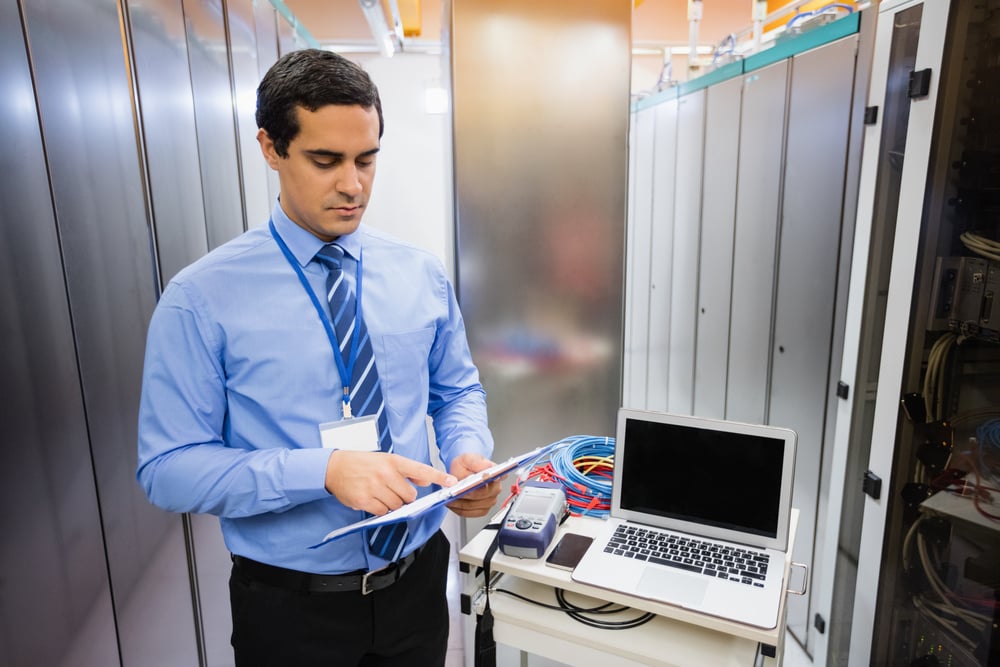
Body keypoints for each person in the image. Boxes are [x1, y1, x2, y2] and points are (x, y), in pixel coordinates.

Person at [137, 48, 499, 666]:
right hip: (290, 612)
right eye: (325, 160)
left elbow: (454, 390)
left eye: (367, 159)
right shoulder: (200, 299)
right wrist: (322, 471)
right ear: (271, 148)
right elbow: (168, 468)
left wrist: (469, 451)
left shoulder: (420, 274)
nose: (353, 185)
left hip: (415, 587)